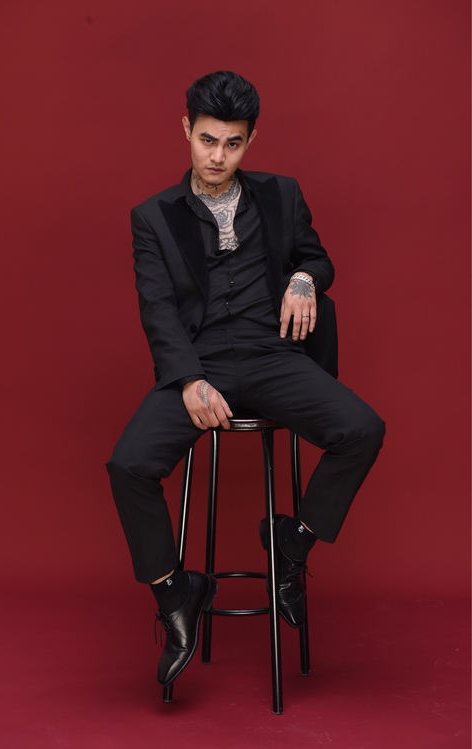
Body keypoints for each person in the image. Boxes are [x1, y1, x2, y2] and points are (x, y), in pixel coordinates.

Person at [106, 70, 385, 689]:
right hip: (199, 364)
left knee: (363, 429)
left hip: (272, 356)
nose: (218, 156)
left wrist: (305, 279)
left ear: (250, 139)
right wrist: (186, 380)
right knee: (128, 465)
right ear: (187, 129)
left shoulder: (281, 194)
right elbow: (158, 308)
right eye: (207, 140)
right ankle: (176, 593)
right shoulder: (153, 217)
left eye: (233, 143)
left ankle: (291, 542)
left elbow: (316, 257)